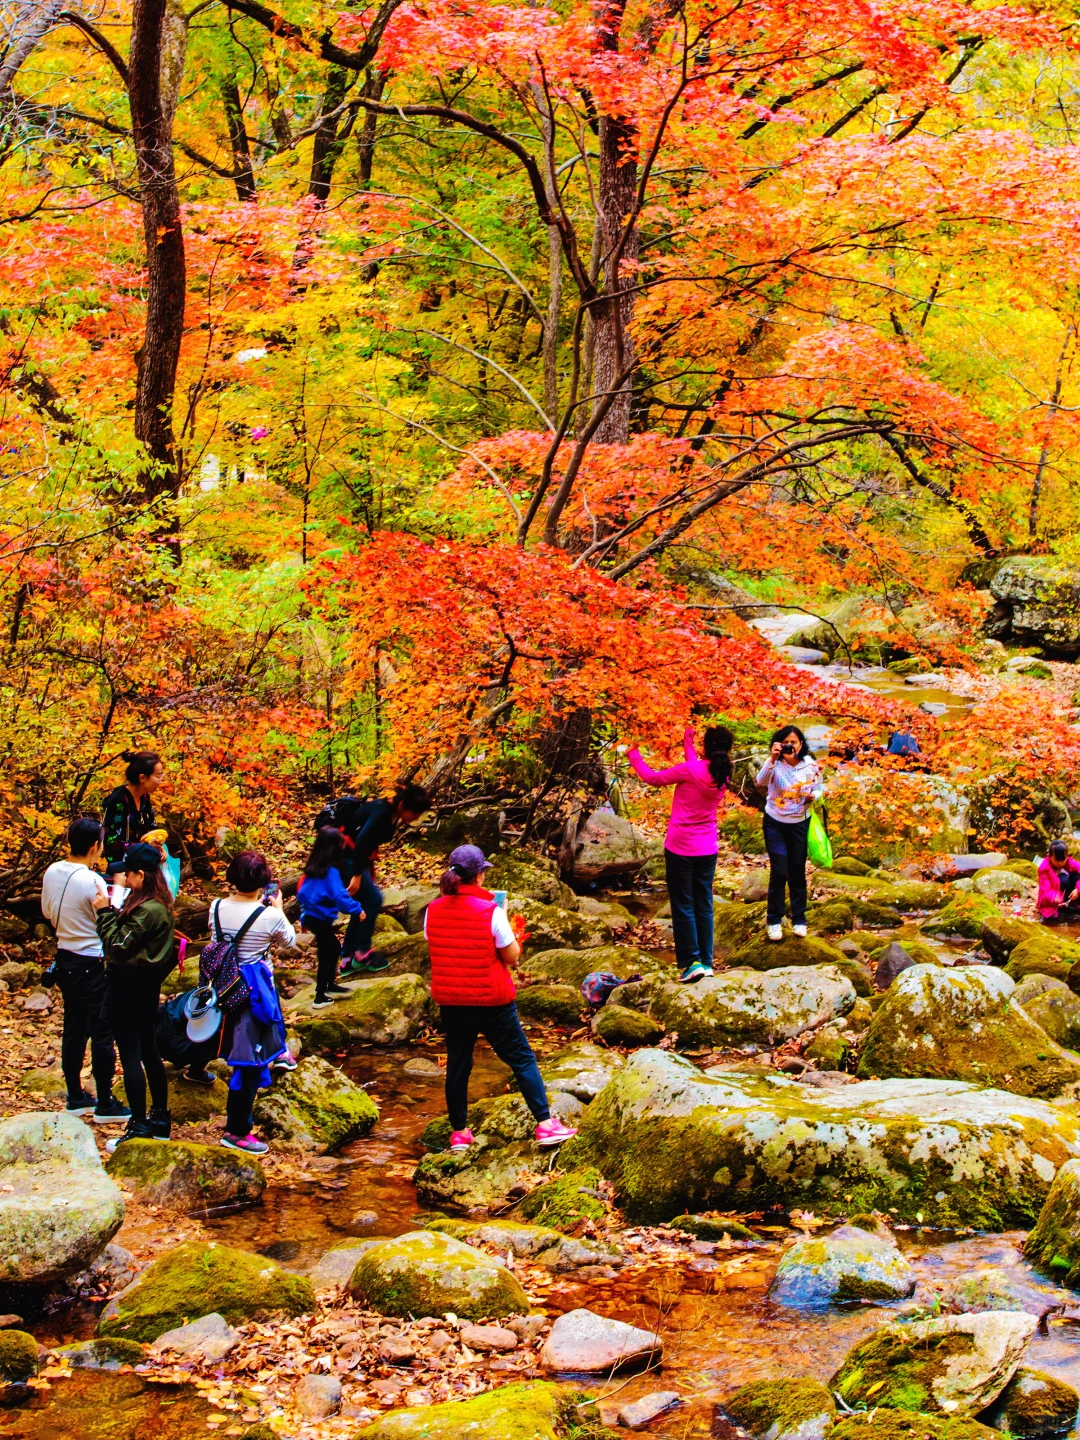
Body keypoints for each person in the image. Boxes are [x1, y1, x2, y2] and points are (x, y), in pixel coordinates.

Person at [425, 844, 578, 1154]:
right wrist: (505, 920)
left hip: (452, 1001)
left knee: (458, 1064)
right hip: (492, 1001)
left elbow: (438, 944)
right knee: (521, 1058)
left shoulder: (432, 909)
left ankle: (459, 1134)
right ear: (479, 876)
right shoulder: (491, 911)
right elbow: (512, 958)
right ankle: (545, 1124)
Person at [206, 850, 297, 1151]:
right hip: (254, 991)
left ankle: (279, 1051)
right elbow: (290, 942)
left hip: (223, 988)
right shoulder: (269, 915)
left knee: (235, 1048)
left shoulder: (216, 906)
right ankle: (237, 1131)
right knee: (247, 1063)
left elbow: (218, 938)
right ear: (264, 881)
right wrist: (279, 910)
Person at [628, 725, 733, 983]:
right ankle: (706, 962)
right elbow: (697, 769)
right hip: (708, 849)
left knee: (683, 905)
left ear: (705, 747)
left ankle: (690, 962)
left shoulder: (691, 771)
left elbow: (652, 778)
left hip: (681, 847)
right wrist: (687, 741)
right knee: (704, 904)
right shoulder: (724, 773)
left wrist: (633, 754)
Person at [41, 817, 129, 1123]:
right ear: (95, 846)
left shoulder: (53, 870)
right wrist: (118, 890)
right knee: (102, 1031)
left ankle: (75, 1094)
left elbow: (47, 912)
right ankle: (105, 1101)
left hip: (65, 957)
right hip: (92, 960)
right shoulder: (90, 880)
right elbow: (110, 918)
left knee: (74, 1027)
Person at [92, 842, 176, 1149]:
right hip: (145, 988)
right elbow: (132, 940)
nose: (124, 878)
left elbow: (116, 946)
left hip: (128, 989)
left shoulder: (147, 909)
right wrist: (114, 910)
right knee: (149, 1052)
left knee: (131, 1057)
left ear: (141, 874)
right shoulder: (159, 902)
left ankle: (139, 1125)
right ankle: (160, 1119)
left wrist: (103, 912)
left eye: (128, 873)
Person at [325, 784, 430, 976]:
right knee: (373, 900)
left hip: (354, 858)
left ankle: (347, 958)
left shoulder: (392, 811)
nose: (416, 818)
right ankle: (361, 954)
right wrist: (357, 875)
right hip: (344, 858)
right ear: (404, 806)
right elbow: (362, 842)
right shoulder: (382, 811)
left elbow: (367, 843)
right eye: (415, 813)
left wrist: (366, 867)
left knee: (364, 904)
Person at [756, 725, 823, 942]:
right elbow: (760, 781)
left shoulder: (811, 765)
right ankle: (774, 921)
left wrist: (816, 796)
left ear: (801, 744)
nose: (790, 746)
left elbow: (820, 788)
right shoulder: (775, 765)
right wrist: (772, 758)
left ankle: (799, 920)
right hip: (775, 822)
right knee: (779, 871)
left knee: (796, 871)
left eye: (793, 742)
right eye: (785, 742)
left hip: (799, 823)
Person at [298, 828, 365, 1009]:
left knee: (331, 947)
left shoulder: (314, 866)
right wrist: (357, 910)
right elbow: (340, 897)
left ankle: (329, 985)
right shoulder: (331, 871)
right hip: (317, 917)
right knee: (329, 950)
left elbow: (303, 892)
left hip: (312, 915)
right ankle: (320, 996)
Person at [102, 751, 165, 864]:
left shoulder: (144, 798)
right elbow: (110, 844)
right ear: (142, 778)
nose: (161, 780)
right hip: (121, 868)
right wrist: (144, 847)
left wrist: (159, 846)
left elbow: (151, 827)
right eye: (158, 776)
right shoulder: (118, 801)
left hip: (142, 863)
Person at [1038, 840, 1080, 925]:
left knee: (1076, 876)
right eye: (1057, 860)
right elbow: (1045, 890)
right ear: (1049, 856)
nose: (1060, 863)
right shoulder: (1043, 868)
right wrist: (1055, 897)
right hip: (1052, 901)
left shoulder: (1069, 862)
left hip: (1067, 895)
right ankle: (1062, 909)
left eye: (1063, 859)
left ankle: (1072, 905)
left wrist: (1077, 889)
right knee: (1052, 919)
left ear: (1067, 856)